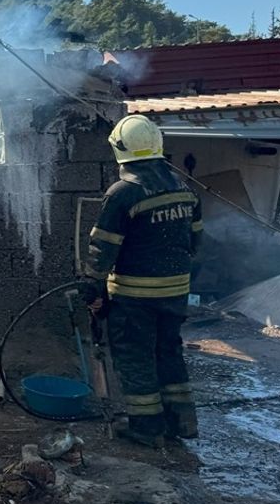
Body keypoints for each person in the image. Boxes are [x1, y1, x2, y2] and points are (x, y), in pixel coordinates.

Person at [83, 113, 201, 448]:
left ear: (120, 150)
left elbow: (102, 248)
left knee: (135, 357)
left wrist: (91, 286)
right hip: (176, 293)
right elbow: (196, 244)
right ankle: (181, 422)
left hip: (134, 296)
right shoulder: (184, 190)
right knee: (168, 352)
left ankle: (147, 428)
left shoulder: (123, 193)